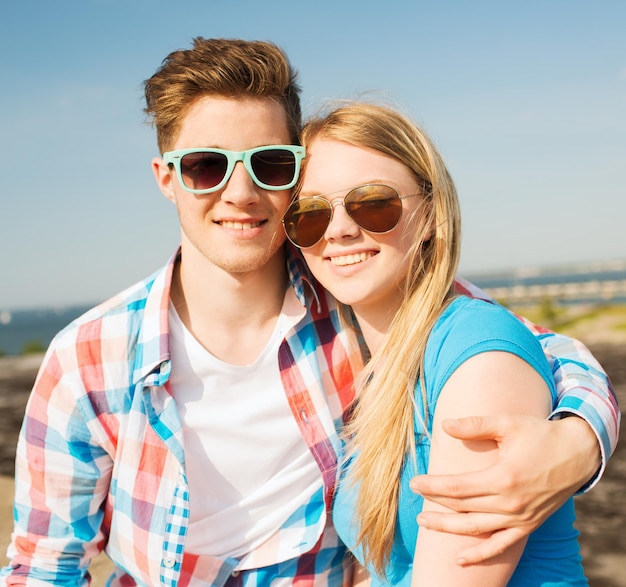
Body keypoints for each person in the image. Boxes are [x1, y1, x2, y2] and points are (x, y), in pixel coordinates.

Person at [0, 38, 619, 587]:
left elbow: (531, 348)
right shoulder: (88, 355)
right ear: (167, 178)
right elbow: (45, 562)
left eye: (269, 163)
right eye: (206, 165)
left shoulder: (350, 299)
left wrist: (578, 439)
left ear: (295, 174)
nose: (239, 193)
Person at [284, 100, 607, 585]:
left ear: (432, 215)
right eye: (310, 214)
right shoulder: (377, 365)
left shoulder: (473, 351)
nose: (341, 230)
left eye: (373, 203)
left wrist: (585, 436)